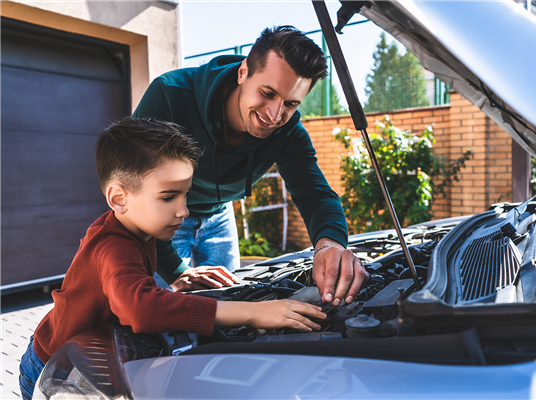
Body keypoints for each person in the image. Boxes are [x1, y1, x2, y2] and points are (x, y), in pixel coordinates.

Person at [18, 118, 326, 400]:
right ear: (118, 199)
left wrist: (172, 292)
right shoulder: (113, 245)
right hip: (53, 368)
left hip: (86, 356)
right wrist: (253, 312)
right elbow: (140, 310)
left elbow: (122, 294)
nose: (183, 210)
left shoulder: (136, 229)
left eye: (185, 194)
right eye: (168, 197)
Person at [133, 26, 369, 306]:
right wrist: (175, 271)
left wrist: (330, 245)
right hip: (163, 221)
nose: (274, 115)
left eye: (290, 103)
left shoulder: (289, 130)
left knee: (235, 307)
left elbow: (314, 193)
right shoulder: (170, 96)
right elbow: (136, 192)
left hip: (220, 216)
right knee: (164, 317)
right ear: (243, 71)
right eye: (268, 93)